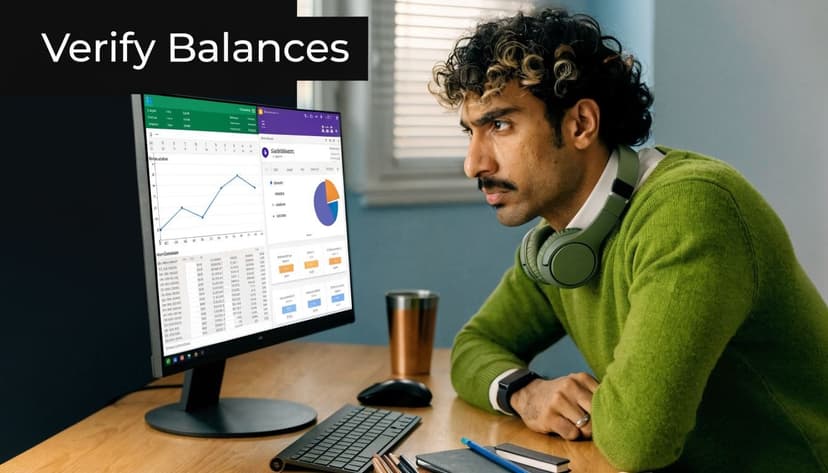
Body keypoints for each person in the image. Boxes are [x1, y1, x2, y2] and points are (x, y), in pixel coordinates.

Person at [429, 7, 828, 473]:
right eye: (470, 132)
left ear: (580, 124)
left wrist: (602, 409)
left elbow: (640, 440)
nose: (473, 165)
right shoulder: (560, 241)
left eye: (500, 125)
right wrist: (526, 392)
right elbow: (473, 346)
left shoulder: (692, 210)